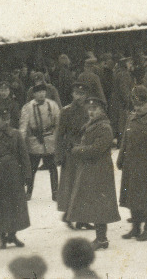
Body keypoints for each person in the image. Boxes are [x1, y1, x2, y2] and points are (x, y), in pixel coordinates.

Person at [66, 97, 121, 251]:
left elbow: (96, 149)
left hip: (99, 170)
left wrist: (76, 150)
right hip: (92, 169)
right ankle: (100, 238)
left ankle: (102, 238)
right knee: (96, 203)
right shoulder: (93, 125)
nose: (91, 112)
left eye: (94, 109)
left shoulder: (104, 128)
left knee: (100, 204)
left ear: (102, 110)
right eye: (89, 109)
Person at [117, 85, 147, 242]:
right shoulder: (131, 119)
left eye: (141, 105)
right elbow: (125, 140)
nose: (137, 108)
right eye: (135, 105)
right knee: (132, 197)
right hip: (131, 166)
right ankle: (135, 228)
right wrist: (120, 158)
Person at [0, 108, 31, 250]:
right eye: (2, 118)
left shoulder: (16, 134)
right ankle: (1, 237)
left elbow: (24, 155)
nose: (5, 122)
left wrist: (26, 175)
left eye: (7, 118)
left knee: (15, 205)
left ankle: (12, 234)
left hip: (13, 174)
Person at [55, 82, 90, 229]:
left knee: (84, 184)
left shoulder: (90, 110)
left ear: (86, 95)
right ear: (72, 94)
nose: (79, 97)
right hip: (70, 152)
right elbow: (59, 135)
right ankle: (69, 214)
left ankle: (82, 218)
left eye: (82, 94)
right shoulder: (66, 111)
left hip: (85, 151)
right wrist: (59, 155)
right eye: (76, 93)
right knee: (70, 184)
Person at [20, 84, 60, 201]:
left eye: (43, 92)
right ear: (34, 94)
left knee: (52, 167)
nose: (41, 94)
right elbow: (23, 126)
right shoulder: (28, 107)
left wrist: (57, 139)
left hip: (49, 140)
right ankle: (29, 191)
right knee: (32, 168)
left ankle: (55, 192)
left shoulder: (52, 105)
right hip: (34, 141)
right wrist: (21, 143)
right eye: (38, 92)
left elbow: (58, 123)